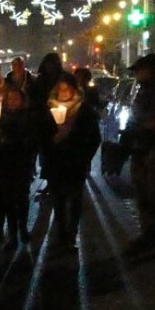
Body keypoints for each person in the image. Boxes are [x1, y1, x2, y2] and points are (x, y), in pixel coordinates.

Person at [40, 74, 101, 250]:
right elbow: (41, 135)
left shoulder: (84, 111)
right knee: (58, 200)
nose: (64, 93)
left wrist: (82, 156)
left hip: (75, 163)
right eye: (61, 89)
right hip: (56, 163)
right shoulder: (48, 110)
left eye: (68, 89)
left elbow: (93, 138)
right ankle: (61, 234)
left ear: (75, 90)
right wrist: (52, 142)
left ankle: (71, 235)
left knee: (74, 200)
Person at [122, 53, 155, 256]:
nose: (137, 74)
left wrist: (141, 128)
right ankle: (149, 234)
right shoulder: (143, 91)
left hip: (154, 150)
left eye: (139, 70)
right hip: (141, 149)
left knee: (154, 193)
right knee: (143, 193)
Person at [0, 87, 39, 247]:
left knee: (21, 197)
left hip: (22, 163)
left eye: (16, 99)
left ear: (22, 101)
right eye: (10, 99)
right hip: (4, 164)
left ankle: (22, 227)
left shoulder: (29, 118)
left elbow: (32, 140)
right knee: (8, 199)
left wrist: (18, 140)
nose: (12, 102)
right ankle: (12, 232)